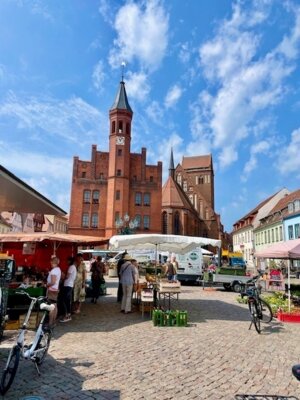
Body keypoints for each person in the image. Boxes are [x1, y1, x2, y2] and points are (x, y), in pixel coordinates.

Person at [60, 256, 77, 323]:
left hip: (68, 285)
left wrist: (62, 275)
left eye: (68, 261)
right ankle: (67, 314)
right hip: (69, 285)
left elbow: (67, 276)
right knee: (66, 300)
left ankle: (67, 315)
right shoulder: (73, 267)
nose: (67, 262)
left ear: (70, 261)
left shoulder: (71, 267)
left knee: (65, 301)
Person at [46, 256, 61, 327]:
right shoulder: (58, 269)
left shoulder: (54, 271)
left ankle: (50, 323)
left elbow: (53, 282)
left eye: (51, 262)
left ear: (53, 262)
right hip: (55, 289)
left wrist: (46, 285)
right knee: (55, 306)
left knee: (51, 307)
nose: (50, 263)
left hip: (52, 290)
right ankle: (54, 322)